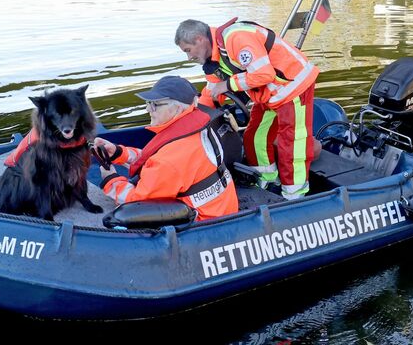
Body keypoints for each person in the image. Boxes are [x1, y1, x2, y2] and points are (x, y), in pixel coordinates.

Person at [175, 18, 319, 200]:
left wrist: (228, 84)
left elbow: (264, 74)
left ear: (199, 39)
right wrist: (193, 118)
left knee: (292, 143)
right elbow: (211, 91)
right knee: (254, 137)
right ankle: (267, 182)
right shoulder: (213, 58)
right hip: (269, 95)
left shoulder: (236, 38)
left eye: (188, 50)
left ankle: (295, 196)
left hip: (293, 87)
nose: (189, 57)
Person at [95, 75, 238, 221]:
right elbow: (154, 160)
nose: (148, 109)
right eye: (148, 103)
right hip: (223, 207)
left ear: (176, 108)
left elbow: (137, 201)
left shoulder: (169, 160)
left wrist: (111, 180)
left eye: (154, 105)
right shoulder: (200, 128)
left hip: (204, 222)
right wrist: (120, 153)